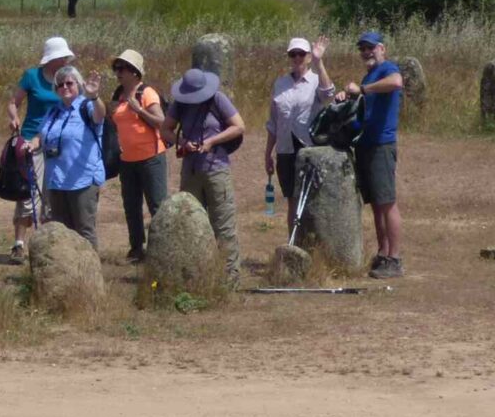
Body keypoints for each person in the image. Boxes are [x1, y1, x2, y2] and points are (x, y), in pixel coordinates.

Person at [162, 67, 246, 283]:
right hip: (191, 170)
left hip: (216, 168)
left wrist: (212, 142)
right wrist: (183, 143)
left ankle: (230, 279)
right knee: (190, 224)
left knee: (223, 225)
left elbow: (239, 126)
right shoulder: (179, 103)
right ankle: (194, 276)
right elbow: (165, 130)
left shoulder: (218, 99)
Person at [340, 30, 404, 279]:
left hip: (381, 144)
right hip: (365, 144)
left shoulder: (388, 68)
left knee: (387, 203)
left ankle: (395, 259)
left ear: (382, 48)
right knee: (376, 205)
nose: (366, 52)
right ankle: (383, 253)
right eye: (362, 49)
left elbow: (397, 82)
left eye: (371, 47)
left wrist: (364, 89)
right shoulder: (369, 74)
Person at [24, 64, 105, 247]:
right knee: (62, 231)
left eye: (69, 83)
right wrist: (32, 144)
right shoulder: (54, 111)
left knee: (84, 230)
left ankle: (90, 272)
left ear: (79, 84)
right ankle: (67, 273)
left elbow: (100, 116)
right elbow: (41, 134)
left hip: (83, 179)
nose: (65, 87)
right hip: (57, 180)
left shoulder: (87, 106)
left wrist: (95, 96)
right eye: (60, 85)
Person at [6, 37, 73, 255]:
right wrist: (14, 117)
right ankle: (19, 244)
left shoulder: (66, 79)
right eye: (62, 57)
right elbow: (13, 102)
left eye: (65, 57)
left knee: (53, 193)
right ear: (52, 58)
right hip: (30, 141)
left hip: (57, 141)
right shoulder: (32, 76)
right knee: (28, 192)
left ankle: (47, 243)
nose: (65, 60)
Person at [264, 36, 334, 235]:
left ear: (309, 57)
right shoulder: (280, 83)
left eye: (301, 54)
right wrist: (268, 153)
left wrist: (320, 63)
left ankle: (314, 245)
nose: (297, 58)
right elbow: (273, 123)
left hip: (309, 148)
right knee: (292, 200)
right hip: (285, 149)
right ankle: (293, 243)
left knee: (312, 199)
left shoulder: (315, 80)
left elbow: (328, 95)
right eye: (293, 54)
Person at [108, 49, 168, 261]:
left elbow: (162, 122)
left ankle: (162, 248)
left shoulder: (147, 93)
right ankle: (136, 249)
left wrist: (139, 110)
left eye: (122, 68)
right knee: (131, 206)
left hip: (151, 158)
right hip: (126, 160)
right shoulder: (117, 95)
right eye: (116, 68)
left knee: (157, 205)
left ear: (134, 72)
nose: (118, 72)